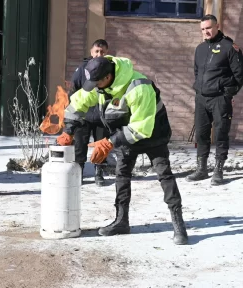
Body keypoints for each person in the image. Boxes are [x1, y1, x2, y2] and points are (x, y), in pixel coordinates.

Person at [57, 56, 188, 245]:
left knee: (164, 175)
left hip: (153, 135)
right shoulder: (101, 85)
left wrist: (109, 142)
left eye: (96, 83)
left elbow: (141, 128)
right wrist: (68, 129)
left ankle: (178, 224)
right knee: (122, 175)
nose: (93, 87)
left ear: (108, 77)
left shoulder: (139, 87)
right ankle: (121, 221)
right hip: (125, 135)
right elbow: (79, 101)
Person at [186, 14, 243, 185]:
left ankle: (218, 170)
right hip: (202, 99)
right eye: (203, 29)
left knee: (220, 134)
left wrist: (228, 94)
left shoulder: (229, 47)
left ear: (217, 26)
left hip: (220, 99)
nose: (206, 32)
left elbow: (240, 75)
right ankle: (201, 169)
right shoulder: (200, 48)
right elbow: (197, 72)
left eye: (209, 28)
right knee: (202, 135)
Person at [69, 39, 110, 186]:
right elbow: (73, 91)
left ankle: (99, 173)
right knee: (80, 145)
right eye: (97, 51)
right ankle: (79, 172)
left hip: (102, 117)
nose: (99, 54)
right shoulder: (82, 70)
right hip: (84, 116)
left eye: (103, 51)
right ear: (91, 53)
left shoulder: (111, 69)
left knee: (100, 146)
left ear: (107, 53)